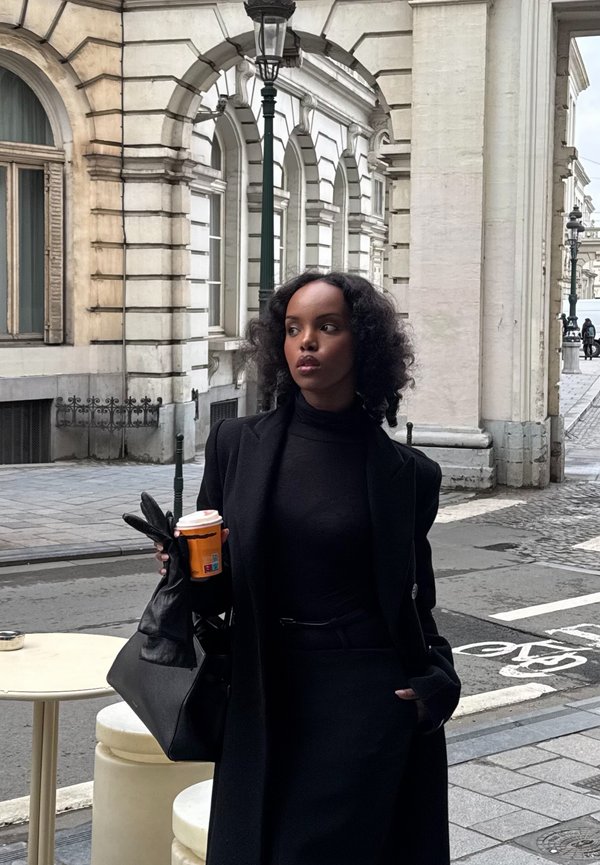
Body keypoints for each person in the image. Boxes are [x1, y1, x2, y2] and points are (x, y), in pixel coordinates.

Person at [158, 271, 461, 865]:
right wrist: (183, 569)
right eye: (294, 329)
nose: (307, 343)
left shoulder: (409, 474)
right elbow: (214, 588)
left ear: (363, 343)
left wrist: (438, 682)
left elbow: (414, 600)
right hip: (262, 685)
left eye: (328, 327)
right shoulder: (236, 444)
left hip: (362, 700)